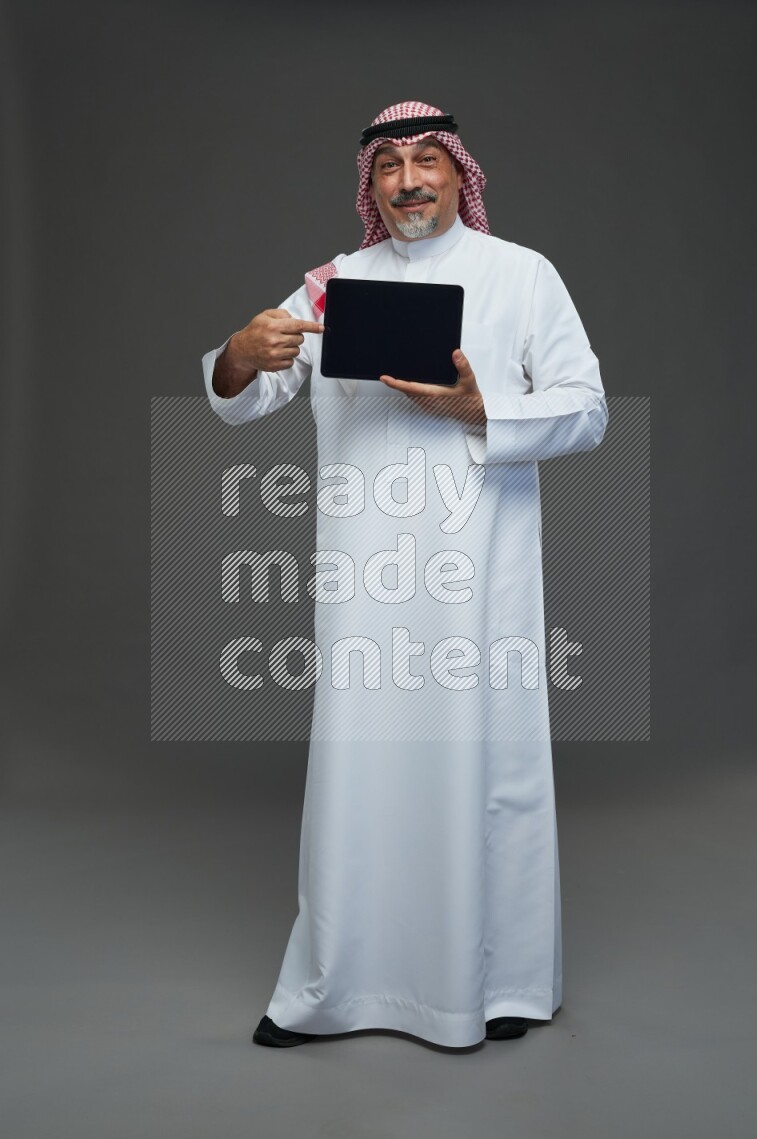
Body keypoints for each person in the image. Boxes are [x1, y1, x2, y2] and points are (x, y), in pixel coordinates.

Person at [202, 101, 608, 1050]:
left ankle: (498, 983)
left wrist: (484, 407)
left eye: (427, 159)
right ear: (369, 185)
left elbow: (587, 409)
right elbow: (247, 394)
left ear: (459, 173)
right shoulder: (333, 286)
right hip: (366, 586)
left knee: (485, 770)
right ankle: (342, 986)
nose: (409, 179)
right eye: (388, 164)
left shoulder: (522, 276)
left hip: (483, 582)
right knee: (363, 772)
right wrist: (234, 356)